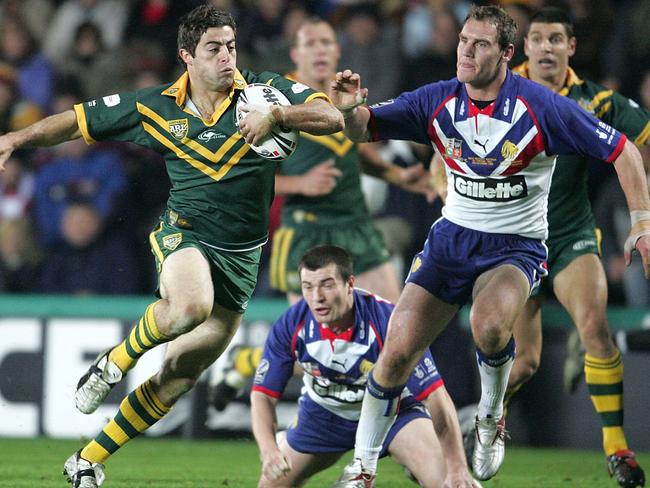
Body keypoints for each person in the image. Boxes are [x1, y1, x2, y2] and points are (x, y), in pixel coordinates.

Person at [0, 6, 343, 488]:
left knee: (181, 374)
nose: (227, 57)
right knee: (189, 305)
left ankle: (87, 459)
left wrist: (280, 116)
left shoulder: (265, 91)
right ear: (186, 56)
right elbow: (77, 122)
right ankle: (115, 362)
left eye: (231, 46)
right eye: (214, 49)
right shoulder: (155, 107)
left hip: (243, 257)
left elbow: (330, 114)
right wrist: (16, 137)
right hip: (184, 233)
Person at [328, 4, 650, 486]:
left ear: (505, 54)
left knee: (490, 327)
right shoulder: (437, 98)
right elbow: (364, 129)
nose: (466, 51)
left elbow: (624, 149)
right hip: (451, 243)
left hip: (517, 247)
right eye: (463, 40)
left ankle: (491, 416)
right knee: (395, 352)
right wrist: (350, 109)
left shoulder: (544, 105)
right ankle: (363, 467)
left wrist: (641, 223)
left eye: (480, 44)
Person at [209, 16, 435, 410]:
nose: (319, 50)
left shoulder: (342, 97)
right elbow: (238, 175)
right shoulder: (274, 100)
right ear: (296, 53)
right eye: (310, 44)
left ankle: (403, 426)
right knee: (317, 341)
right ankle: (246, 362)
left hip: (356, 227)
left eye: (326, 43)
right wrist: (300, 184)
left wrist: (400, 176)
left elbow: (353, 151)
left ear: (337, 50)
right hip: (309, 234)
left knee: (398, 335)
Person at [502, 8, 648, 487]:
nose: (546, 47)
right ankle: (485, 421)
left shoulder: (597, 100)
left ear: (571, 48)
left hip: (571, 235)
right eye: (538, 39)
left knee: (595, 328)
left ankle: (617, 450)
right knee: (523, 362)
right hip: (514, 240)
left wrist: (642, 211)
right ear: (525, 48)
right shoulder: (499, 91)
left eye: (556, 39)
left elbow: (642, 139)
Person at [250, 245, 477, 488]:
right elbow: (262, 396)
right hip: (323, 417)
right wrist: (269, 450)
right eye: (308, 287)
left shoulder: (389, 321)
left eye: (327, 284)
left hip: (395, 416)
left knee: (451, 483)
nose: (317, 297)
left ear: (350, 284)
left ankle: (418, 463)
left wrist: (458, 466)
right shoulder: (291, 324)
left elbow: (435, 394)